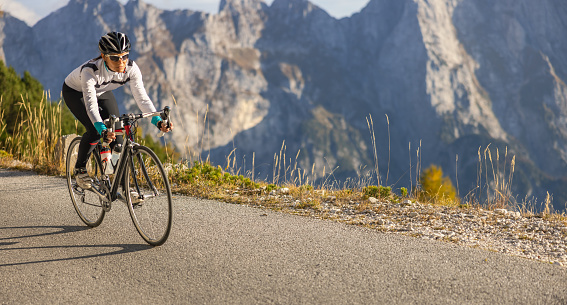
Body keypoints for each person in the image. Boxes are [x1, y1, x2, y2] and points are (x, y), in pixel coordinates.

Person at [62, 31, 173, 189]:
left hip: (102, 90)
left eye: (125, 56)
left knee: (118, 142)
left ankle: (114, 180)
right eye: (115, 57)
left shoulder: (132, 69)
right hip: (75, 92)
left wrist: (157, 120)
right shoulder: (90, 71)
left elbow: (142, 98)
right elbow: (91, 105)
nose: (121, 61)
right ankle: (80, 169)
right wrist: (101, 128)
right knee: (94, 131)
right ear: (104, 56)